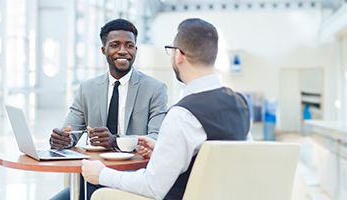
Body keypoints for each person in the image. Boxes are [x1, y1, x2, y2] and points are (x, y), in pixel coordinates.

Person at [81, 18, 251, 199]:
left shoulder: (183, 114)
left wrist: (102, 173)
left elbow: (153, 187)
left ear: (178, 55)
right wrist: (162, 149)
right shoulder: (240, 103)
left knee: (88, 191)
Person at [50, 18, 168, 199]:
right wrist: (62, 139)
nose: (123, 51)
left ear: (135, 50)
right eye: (115, 45)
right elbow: (70, 132)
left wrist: (116, 141)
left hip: (134, 179)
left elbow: (156, 138)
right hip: (92, 178)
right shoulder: (87, 89)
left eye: (129, 45)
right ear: (103, 50)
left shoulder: (155, 89)